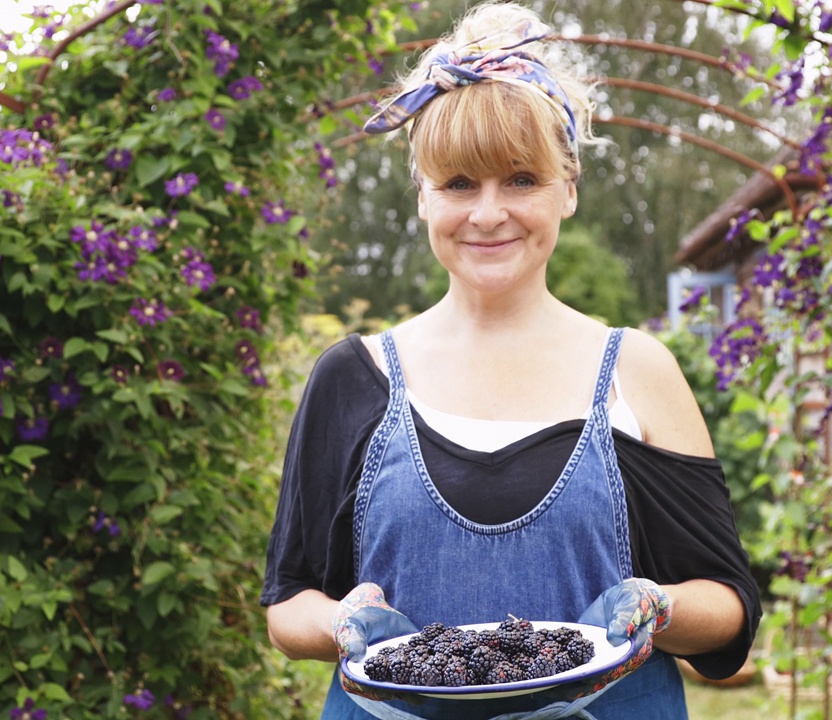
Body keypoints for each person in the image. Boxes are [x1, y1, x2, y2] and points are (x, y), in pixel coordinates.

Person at [261, 2, 761, 718]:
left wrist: (659, 605)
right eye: (460, 183)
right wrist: (340, 622)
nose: (489, 213)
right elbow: (289, 602)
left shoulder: (637, 371)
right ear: (424, 197)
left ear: (569, 189)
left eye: (521, 179)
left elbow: (728, 603)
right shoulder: (352, 378)